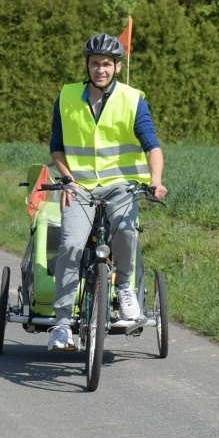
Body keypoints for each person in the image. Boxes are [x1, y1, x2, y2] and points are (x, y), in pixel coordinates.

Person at [47, 32, 168, 351]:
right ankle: (62, 324)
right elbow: (56, 147)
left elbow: (151, 145)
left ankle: (125, 287)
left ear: (117, 67)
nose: (100, 69)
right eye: (95, 63)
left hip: (121, 186)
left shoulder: (132, 99)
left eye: (106, 64)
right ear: (87, 66)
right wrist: (67, 179)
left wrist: (155, 179)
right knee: (70, 245)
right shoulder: (67, 97)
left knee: (126, 232)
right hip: (80, 187)